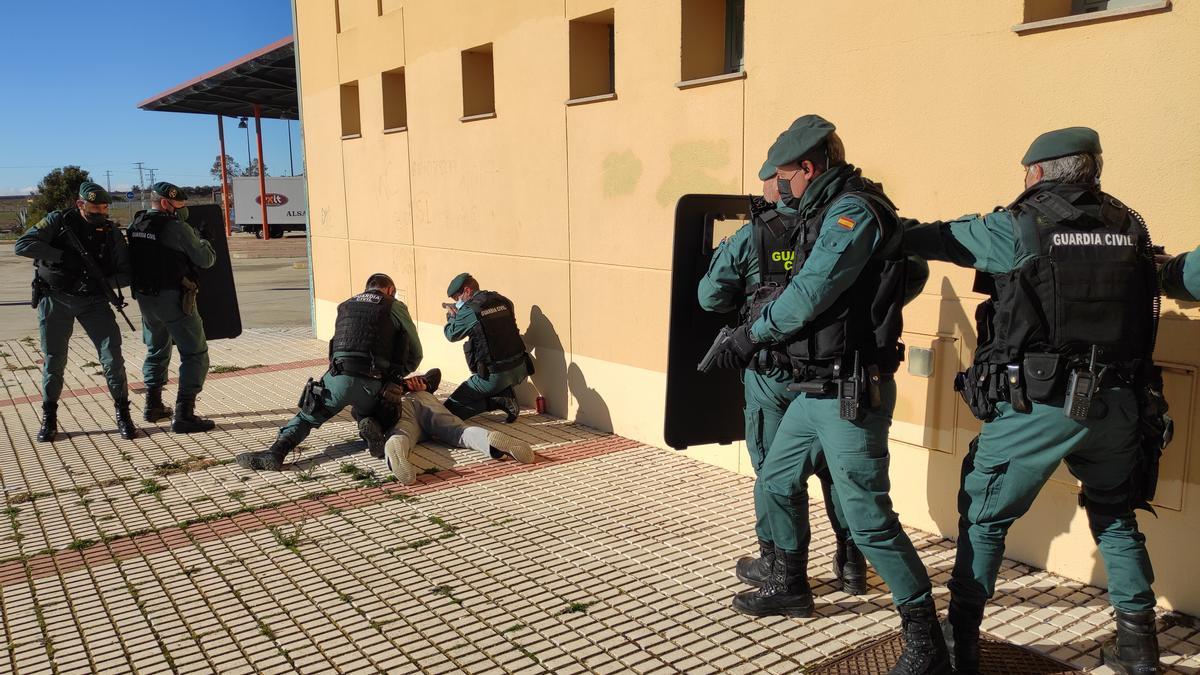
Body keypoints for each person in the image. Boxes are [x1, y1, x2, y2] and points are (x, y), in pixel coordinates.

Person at [902, 127, 1164, 675]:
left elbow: (940, 239)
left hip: (1041, 405)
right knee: (1115, 517)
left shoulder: (1020, 226)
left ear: (1039, 173)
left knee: (985, 514)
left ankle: (962, 641)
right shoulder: (1129, 225)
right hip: (1120, 404)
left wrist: (885, 229)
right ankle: (1140, 652)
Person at [708, 115, 949, 674]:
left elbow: (809, 292)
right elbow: (901, 274)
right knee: (774, 477)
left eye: (785, 176)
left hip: (848, 394)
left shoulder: (854, 211)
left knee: (869, 518)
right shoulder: (826, 210)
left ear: (808, 168)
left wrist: (751, 334)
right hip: (816, 389)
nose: (781, 186)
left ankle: (924, 637)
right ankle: (790, 584)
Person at [697, 155, 867, 597]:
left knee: (774, 471)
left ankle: (778, 565)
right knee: (834, 469)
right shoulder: (842, 221)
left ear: (784, 181)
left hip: (772, 373)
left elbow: (709, 296)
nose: (769, 188)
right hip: (831, 372)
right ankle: (851, 563)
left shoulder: (753, 234)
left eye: (771, 179)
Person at [235, 273, 424, 471]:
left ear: (366, 288)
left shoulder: (345, 306)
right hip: (373, 382)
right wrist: (394, 378)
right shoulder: (394, 306)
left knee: (306, 417)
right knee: (385, 410)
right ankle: (373, 426)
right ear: (391, 291)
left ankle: (276, 452)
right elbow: (416, 353)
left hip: (337, 377)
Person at [14, 181, 139, 441]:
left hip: (94, 301)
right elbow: (23, 245)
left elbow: (125, 272)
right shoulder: (59, 221)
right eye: (95, 207)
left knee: (112, 358)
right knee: (54, 360)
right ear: (80, 204)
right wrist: (61, 256)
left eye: (104, 207)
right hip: (55, 299)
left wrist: (101, 281)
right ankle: (49, 417)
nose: (100, 212)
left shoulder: (110, 231)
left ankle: (123, 414)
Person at [126, 181, 216, 433]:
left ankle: (153, 404)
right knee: (195, 354)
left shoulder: (137, 223)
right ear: (166, 203)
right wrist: (205, 240)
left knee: (156, 348)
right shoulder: (176, 227)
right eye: (180, 204)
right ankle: (184, 413)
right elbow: (205, 259)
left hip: (146, 299)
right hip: (175, 299)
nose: (183, 209)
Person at [381, 387, 536, 486]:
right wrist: (422, 386)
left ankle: (395, 446)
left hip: (398, 405)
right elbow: (431, 371)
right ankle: (488, 440)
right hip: (422, 397)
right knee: (459, 431)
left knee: (403, 433)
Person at [442, 273, 531, 422]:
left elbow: (451, 335)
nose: (457, 302)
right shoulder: (503, 300)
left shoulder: (470, 310)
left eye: (457, 297)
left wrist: (452, 317)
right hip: (520, 367)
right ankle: (504, 392)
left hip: (494, 376)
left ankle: (497, 400)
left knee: (447, 411)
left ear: (467, 291)